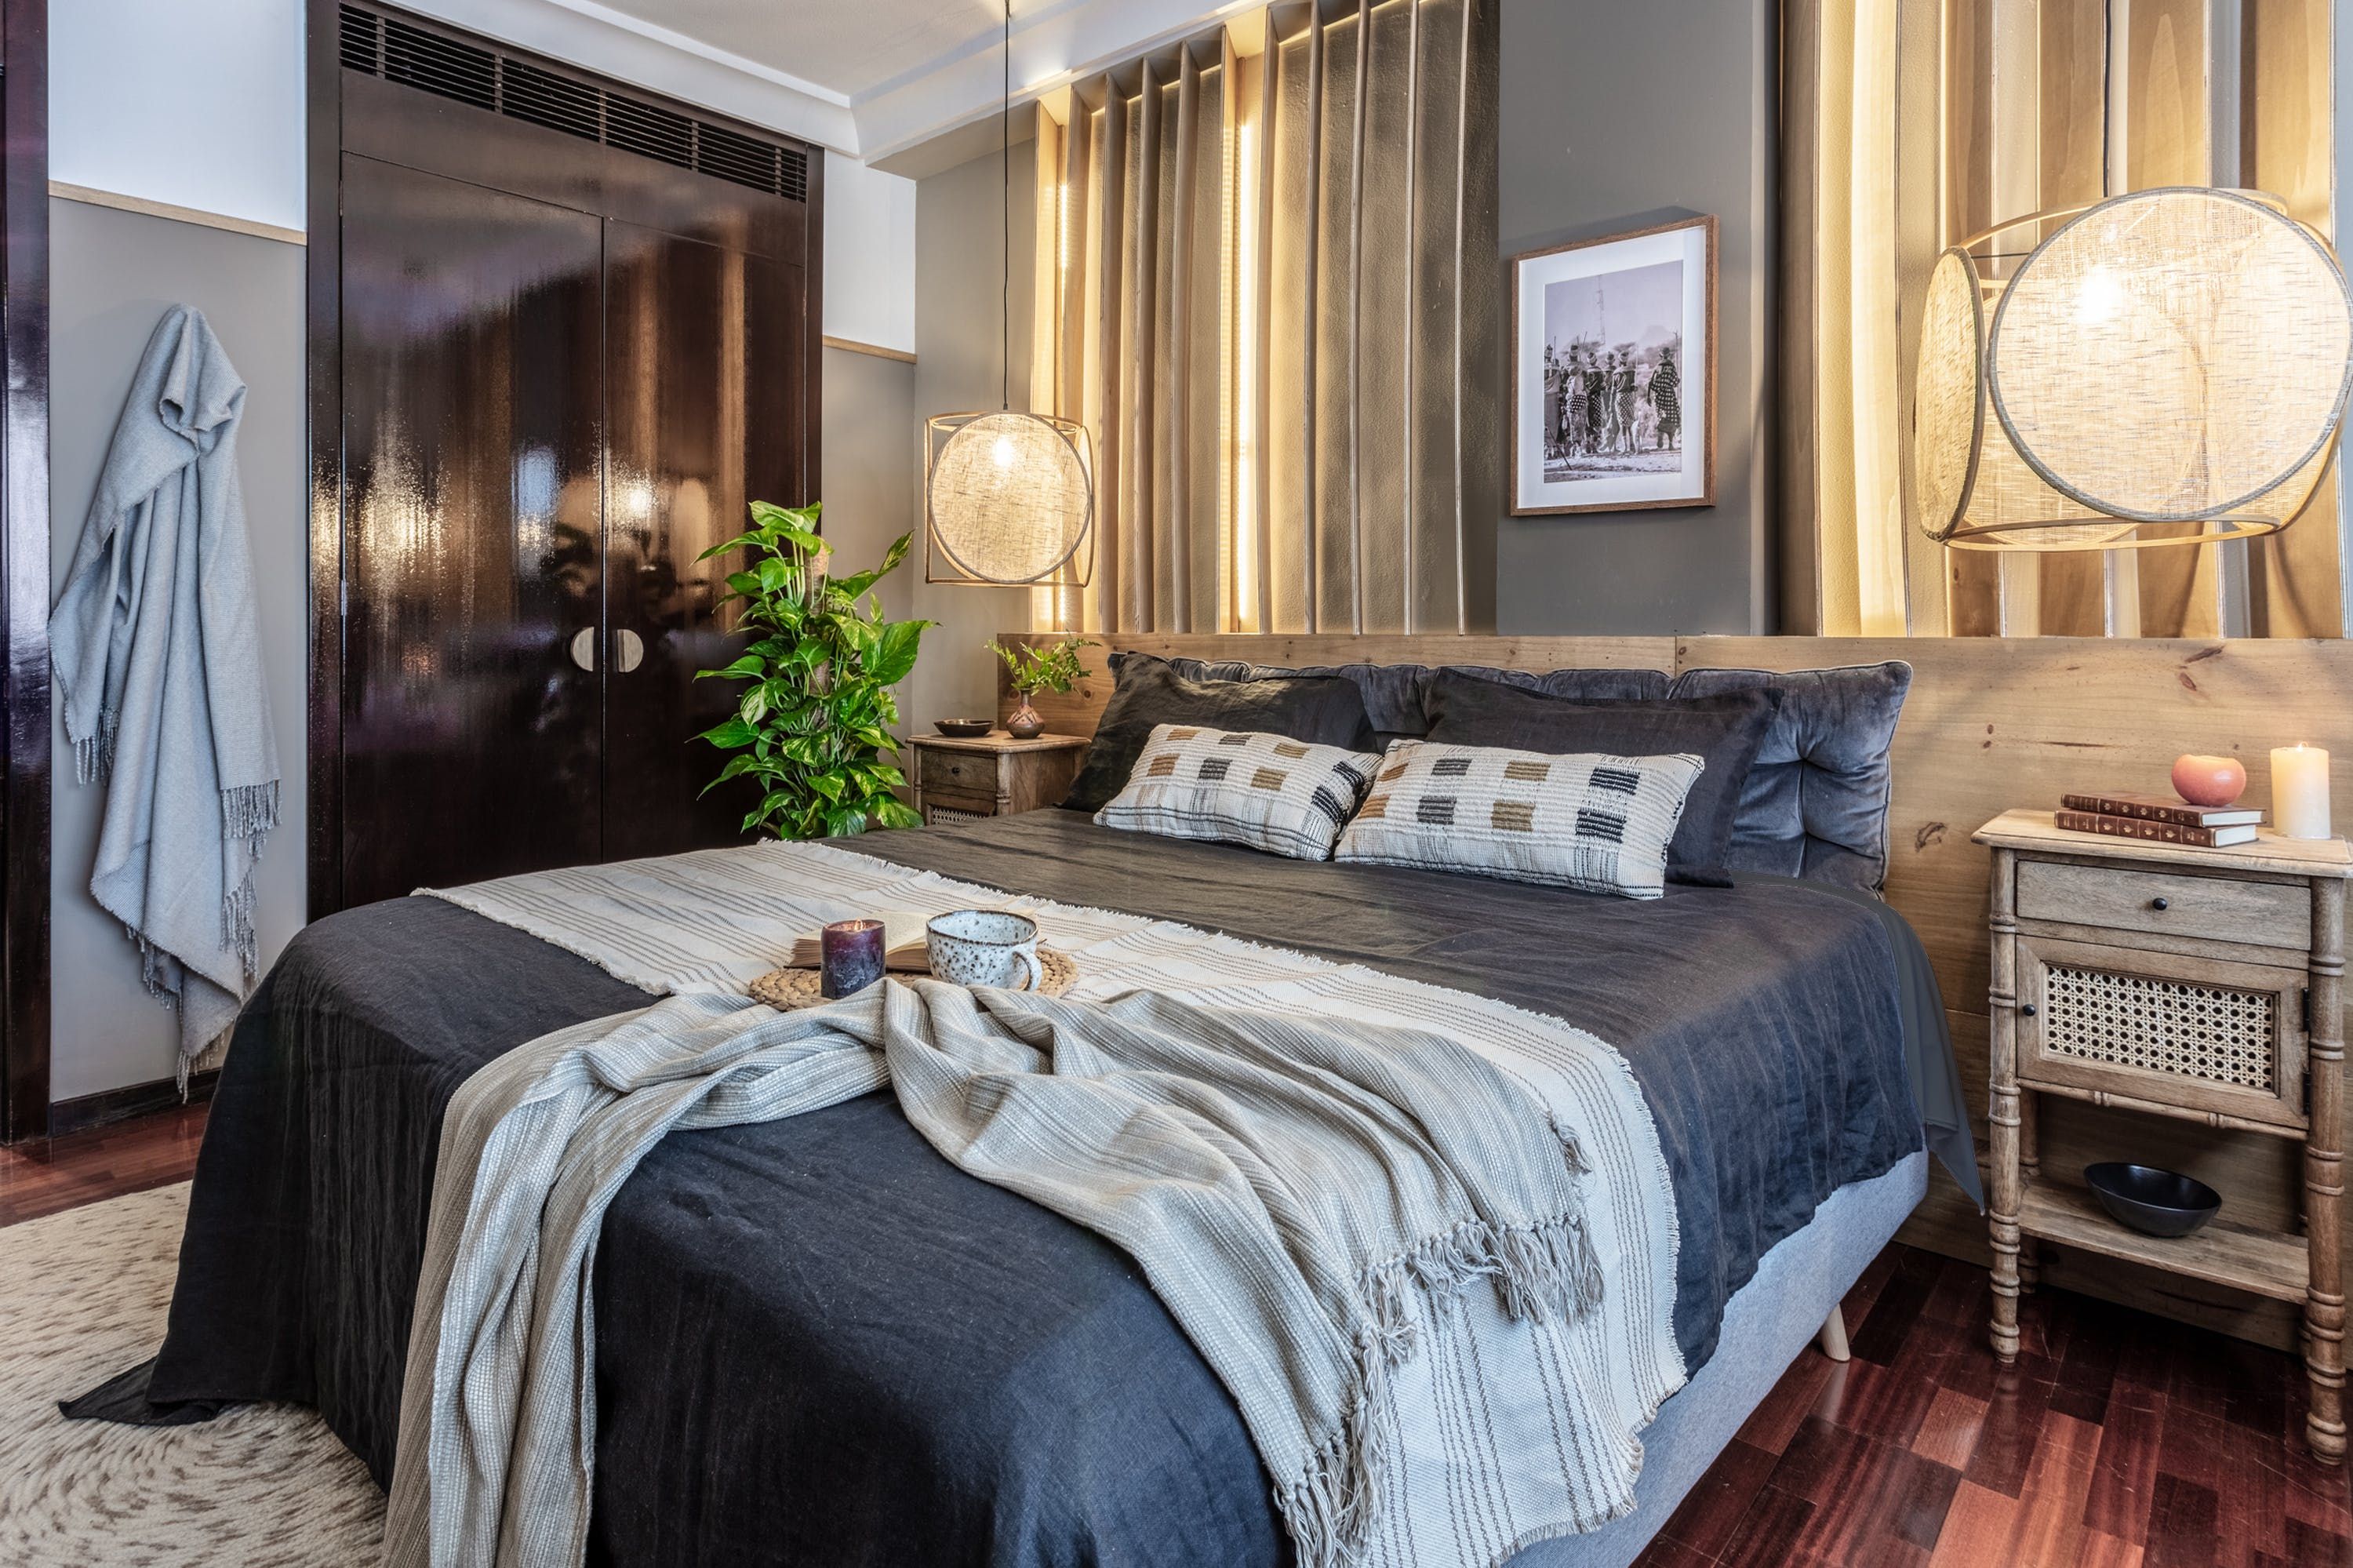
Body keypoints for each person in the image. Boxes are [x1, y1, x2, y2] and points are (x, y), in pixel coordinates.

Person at [1649, 344, 1682, 453]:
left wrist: (1648, 396)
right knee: (1671, 417)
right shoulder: (1672, 366)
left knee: (1661, 416)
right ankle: (1671, 444)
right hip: (1669, 395)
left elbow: (1651, 383)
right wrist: (1677, 380)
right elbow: (1675, 382)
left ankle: (1660, 437)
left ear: (1660, 355)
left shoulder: (1657, 367)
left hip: (1659, 396)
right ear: (1669, 355)